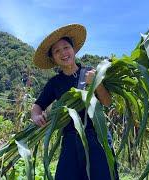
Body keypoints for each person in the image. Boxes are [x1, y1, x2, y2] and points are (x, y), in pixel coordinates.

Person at [31, 24, 119, 180]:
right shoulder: (55, 83)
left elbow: (106, 102)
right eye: (57, 51)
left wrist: (96, 83)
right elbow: (37, 105)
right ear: (53, 58)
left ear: (73, 50)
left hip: (96, 138)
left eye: (66, 47)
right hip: (71, 140)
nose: (63, 53)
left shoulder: (91, 72)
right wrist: (36, 116)